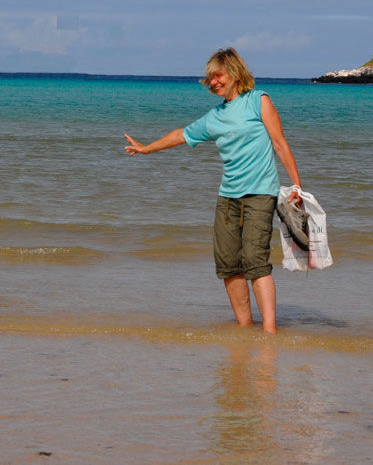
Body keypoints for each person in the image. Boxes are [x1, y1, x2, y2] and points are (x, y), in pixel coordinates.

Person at [124, 47, 302, 333]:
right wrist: (147, 148)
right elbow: (181, 134)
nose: (213, 82)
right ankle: (245, 330)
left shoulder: (259, 101)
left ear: (233, 73)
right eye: (210, 79)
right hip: (228, 198)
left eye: (217, 76)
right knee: (229, 265)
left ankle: (270, 333)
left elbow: (280, 144)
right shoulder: (214, 117)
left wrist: (296, 185)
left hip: (260, 194)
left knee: (255, 262)